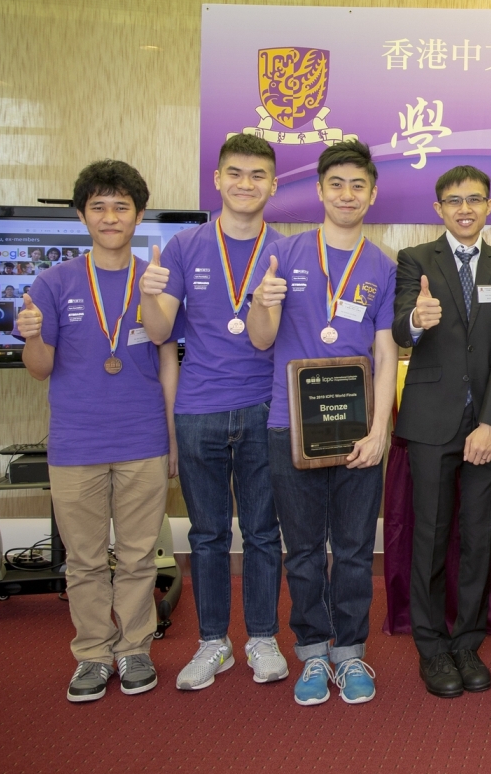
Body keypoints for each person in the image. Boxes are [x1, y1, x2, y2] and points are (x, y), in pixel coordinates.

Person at [16, 160, 178, 702]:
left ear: (138, 215)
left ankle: (134, 649)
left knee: (137, 558)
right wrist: (33, 336)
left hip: (142, 439)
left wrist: (173, 437)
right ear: (82, 214)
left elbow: (165, 357)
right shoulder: (55, 281)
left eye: (121, 207)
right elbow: (39, 367)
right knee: (83, 560)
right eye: (99, 207)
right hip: (76, 444)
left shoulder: (155, 280)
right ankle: (91, 652)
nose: (110, 217)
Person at [247, 139, 397, 704]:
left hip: (358, 428)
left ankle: (351, 653)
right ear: (319, 191)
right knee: (305, 548)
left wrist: (380, 428)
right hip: (292, 427)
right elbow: (262, 340)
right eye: (336, 184)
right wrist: (264, 302)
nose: (347, 194)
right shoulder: (283, 256)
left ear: (372, 195)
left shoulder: (382, 266)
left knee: (356, 547)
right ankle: (312, 652)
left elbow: (385, 355)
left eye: (358, 185)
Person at [139, 133, 289, 691]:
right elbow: (158, 333)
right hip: (198, 410)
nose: (245, 184)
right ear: (218, 180)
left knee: (261, 533)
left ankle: (263, 639)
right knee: (204, 535)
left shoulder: (289, 250)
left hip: (264, 408)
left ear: (273, 185)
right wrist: (149, 293)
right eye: (235, 173)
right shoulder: (183, 248)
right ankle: (212, 644)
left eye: (257, 175)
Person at [392, 164, 491, 699]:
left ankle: (467, 640)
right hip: (429, 422)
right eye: (453, 201)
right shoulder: (415, 260)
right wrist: (416, 321)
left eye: (475, 199)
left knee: (478, 536)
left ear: (490, 206)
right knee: (430, 536)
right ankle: (432, 646)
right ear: (438, 209)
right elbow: (400, 325)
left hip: (485, 424)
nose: (464, 209)